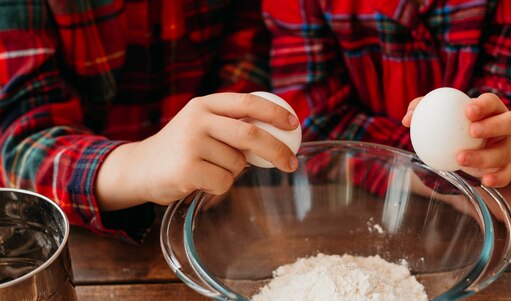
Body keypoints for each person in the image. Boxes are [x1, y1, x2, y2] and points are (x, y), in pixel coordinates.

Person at [263, 0, 511, 235]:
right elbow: (317, 127)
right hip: (355, 197)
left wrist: (491, 149)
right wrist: (452, 185)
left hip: (507, 177)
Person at [0, 1, 298, 242]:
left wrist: (227, 138)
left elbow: (247, 46)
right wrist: (141, 163)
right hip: (75, 236)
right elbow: (17, 147)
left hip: (214, 214)